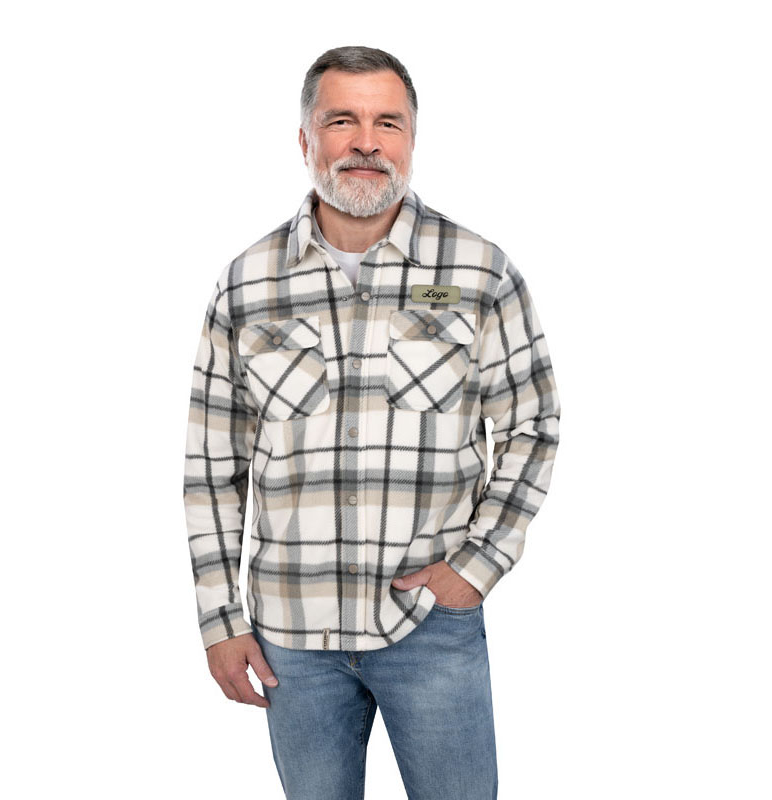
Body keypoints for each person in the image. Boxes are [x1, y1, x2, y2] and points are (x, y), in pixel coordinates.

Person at [183, 45, 561, 800]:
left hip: (432, 627)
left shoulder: (478, 272)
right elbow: (213, 467)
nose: (366, 142)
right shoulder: (247, 284)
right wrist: (221, 621)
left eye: (388, 122)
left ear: (411, 139)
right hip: (292, 639)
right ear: (305, 139)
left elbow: (532, 426)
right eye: (341, 121)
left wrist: (477, 567)